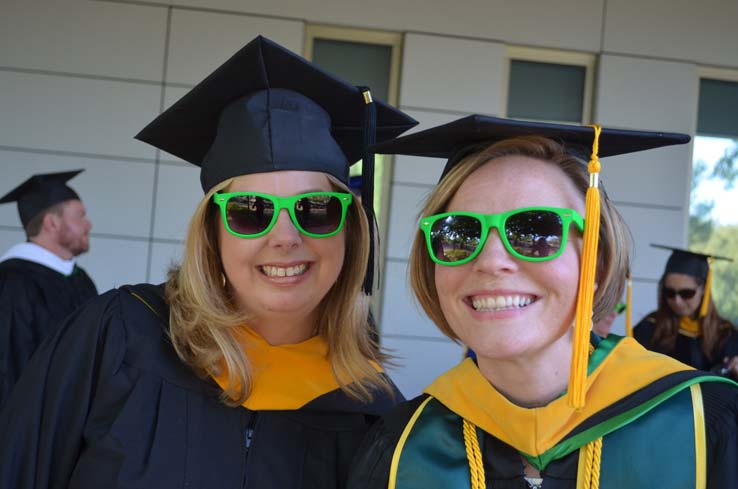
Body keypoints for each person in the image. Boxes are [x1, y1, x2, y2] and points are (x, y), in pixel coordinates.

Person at [0, 35, 417, 488]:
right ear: (212, 233)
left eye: (315, 209)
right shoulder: (119, 338)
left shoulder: (375, 415)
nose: (284, 237)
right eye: (250, 211)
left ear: (350, 231)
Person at [347, 115, 738, 488]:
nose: (491, 261)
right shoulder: (399, 446)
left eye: (536, 231)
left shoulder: (706, 426)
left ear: (597, 261)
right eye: (460, 233)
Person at [0, 170, 97, 405]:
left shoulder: (80, 279)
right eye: (80, 216)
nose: (89, 225)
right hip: (25, 425)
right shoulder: (11, 282)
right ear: (51, 222)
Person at [634, 244, 738, 380]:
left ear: (703, 290)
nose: (677, 301)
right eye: (670, 292)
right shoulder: (649, 329)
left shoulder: (726, 335)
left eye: (686, 293)